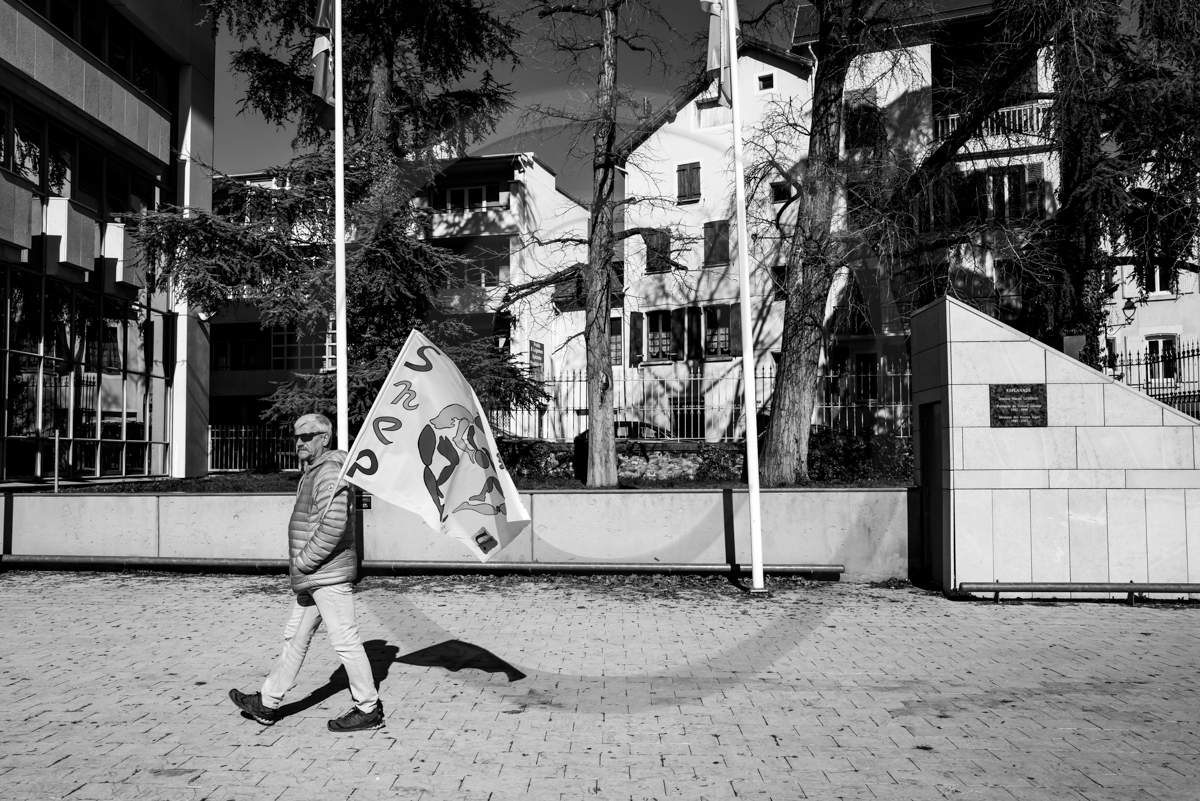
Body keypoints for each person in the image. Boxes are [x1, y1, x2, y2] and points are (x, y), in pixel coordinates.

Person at [228, 413, 384, 732]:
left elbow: (333, 525)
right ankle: (268, 703)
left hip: (326, 574)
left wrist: (304, 561)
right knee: (295, 638)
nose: (300, 442)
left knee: (345, 641)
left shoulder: (330, 470)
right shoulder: (314, 470)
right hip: (313, 577)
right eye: (296, 437)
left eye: (308, 436)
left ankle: (369, 709)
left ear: (325, 437)